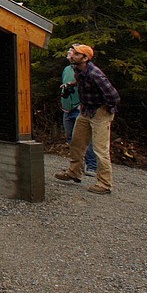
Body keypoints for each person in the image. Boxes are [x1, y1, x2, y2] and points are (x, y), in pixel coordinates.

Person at [55, 44, 120, 194]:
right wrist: (71, 84)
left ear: (85, 58)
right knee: (76, 142)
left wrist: (106, 109)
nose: (72, 55)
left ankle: (105, 184)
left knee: (100, 149)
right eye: (73, 53)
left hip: (100, 112)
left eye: (76, 54)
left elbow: (114, 96)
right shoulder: (78, 70)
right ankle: (74, 172)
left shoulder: (95, 74)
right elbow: (81, 81)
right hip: (85, 110)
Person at [60, 49, 96, 176]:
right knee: (71, 138)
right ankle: (76, 167)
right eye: (70, 52)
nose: (70, 55)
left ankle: (92, 165)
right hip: (67, 107)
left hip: (80, 107)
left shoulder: (87, 70)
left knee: (85, 138)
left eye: (74, 53)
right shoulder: (67, 69)